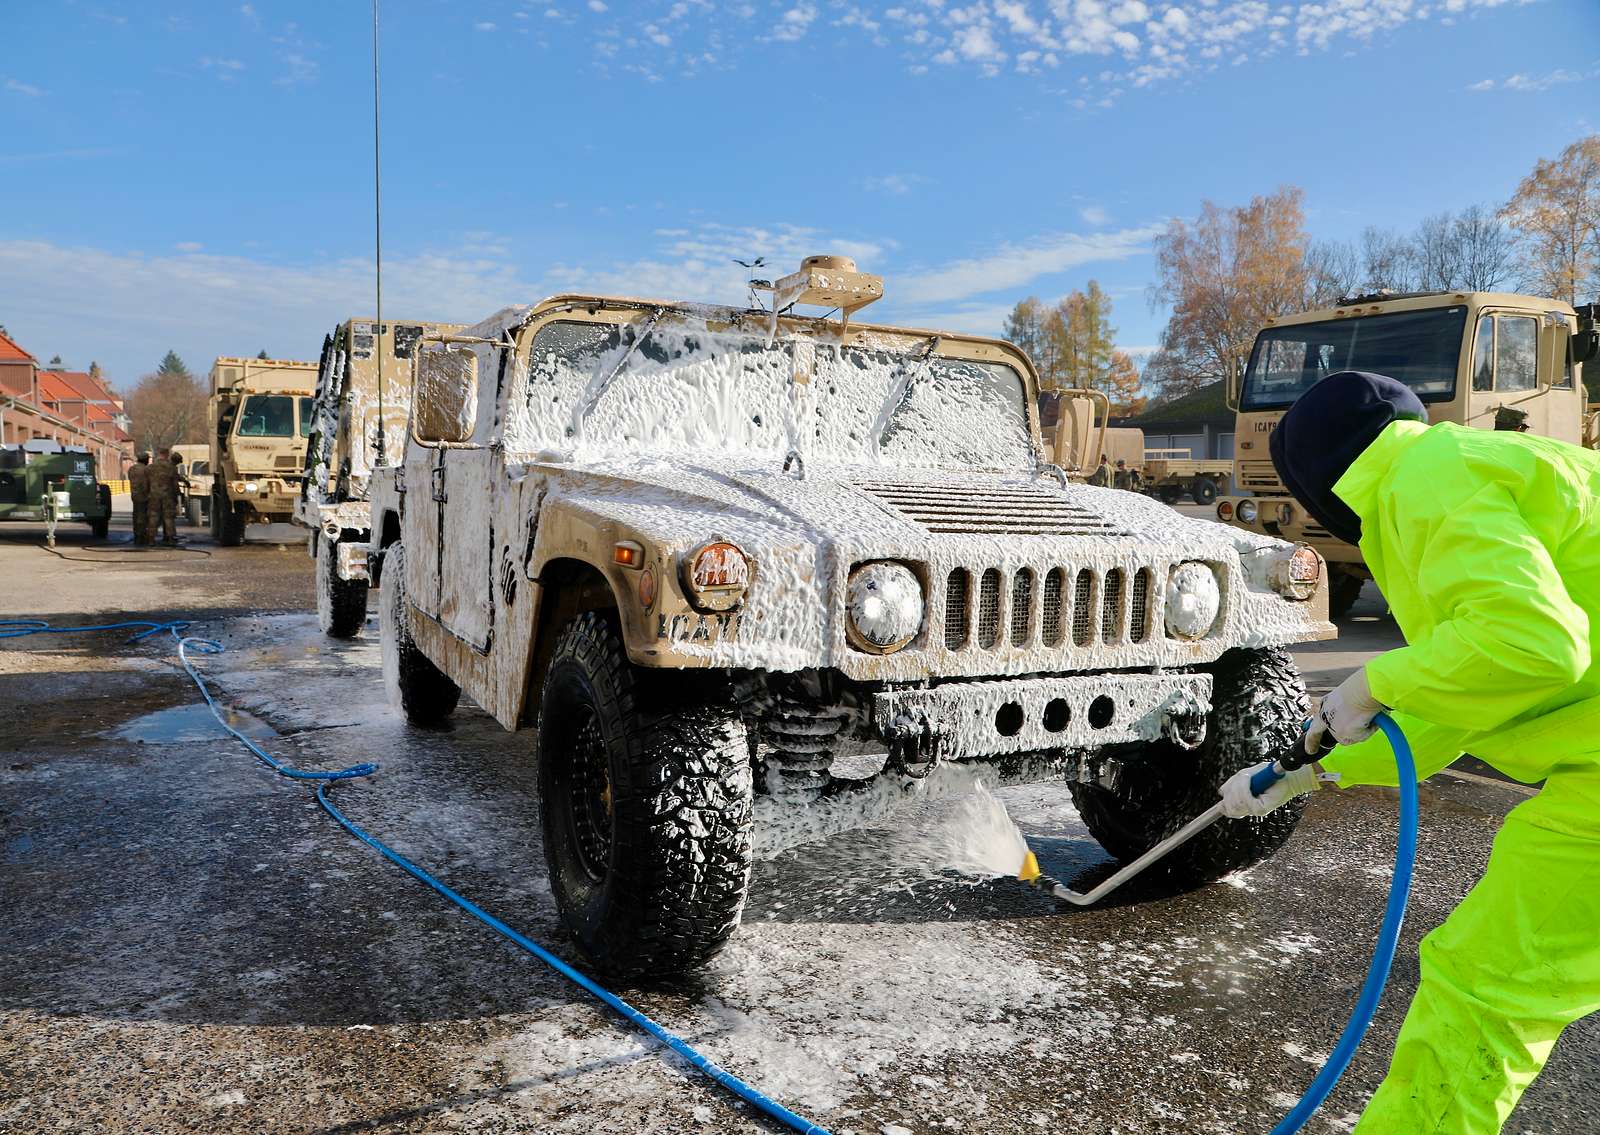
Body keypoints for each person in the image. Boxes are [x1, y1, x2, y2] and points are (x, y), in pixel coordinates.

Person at [1218, 370, 1600, 1135]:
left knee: (1486, 984)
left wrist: (1374, 679)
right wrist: (1310, 769)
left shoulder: (1423, 479)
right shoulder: (1454, 473)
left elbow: (1537, 644)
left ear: (1323, 482)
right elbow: (1456, 702)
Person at [146, 447, 183, 546]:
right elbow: (175, 484)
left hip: (154, 496)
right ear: (167, 454)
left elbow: (146, 483)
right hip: (168, 496)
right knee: (168, 517)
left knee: (153, 517)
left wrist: (147, 494)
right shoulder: (171, 467)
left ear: (158, 453)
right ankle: (170, 538)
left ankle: (151, 539)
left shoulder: (150, 467)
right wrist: (178, 495)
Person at [127, 451, 153, 546]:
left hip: (135, 495)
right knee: (144, 517)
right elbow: (149, 483)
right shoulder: (147, 470)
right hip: (145, 496)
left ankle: (137, 535)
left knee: (136, 515)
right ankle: (142, 537)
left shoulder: (131, 469)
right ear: (145, 460)